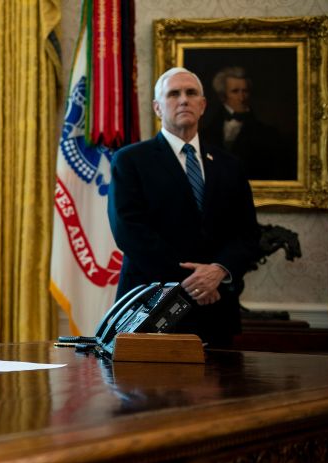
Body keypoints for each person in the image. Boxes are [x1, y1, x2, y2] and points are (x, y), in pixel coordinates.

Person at [108, 67, 260, 347]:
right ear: (157, 107)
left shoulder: (230, 165)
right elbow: (130, 232)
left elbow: (248, 234)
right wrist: (195, 281)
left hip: (216, 310)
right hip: (151, 307)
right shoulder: (130, 161)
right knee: (149, 391)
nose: (183, 100)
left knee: (226, 389)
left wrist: (218, 271)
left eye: (191, 93)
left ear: (202, 106)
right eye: (173, 94)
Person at [200, 66, 295, 180]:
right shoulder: (205, 132)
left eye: (245, 91)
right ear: (222, 96)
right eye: (235, 91)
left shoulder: (269, 134)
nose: (242, 97)